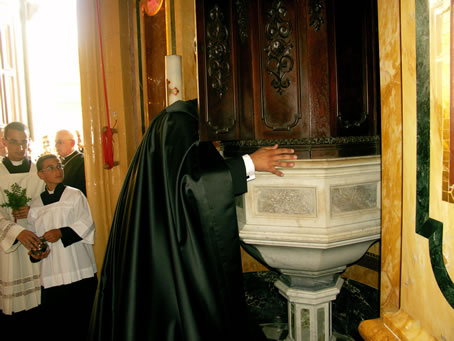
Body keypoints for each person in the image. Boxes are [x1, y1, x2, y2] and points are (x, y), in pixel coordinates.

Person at [89, 100, 297, 340]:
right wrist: (250, 163)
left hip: (158, 235)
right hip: (167, 248)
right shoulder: (179, 122)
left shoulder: (174, 119)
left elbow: (181, 174)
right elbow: (194, 183)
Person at [28, 153, 97, 341]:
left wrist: (61, 232)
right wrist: (36, 252)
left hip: (77, 268)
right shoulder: (35, 205)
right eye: (50, 168)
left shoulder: (74, 195)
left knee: (82, 321)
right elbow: (33, 237)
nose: (57, 170)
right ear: (41, 174)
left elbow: (87, 223)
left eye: (59, 166)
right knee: (57, 325)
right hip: (51, 272)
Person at [0, 122, 45, 335]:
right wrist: (17, 232)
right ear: (4, 142)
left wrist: (32, 211)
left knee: (39, 306)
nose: (19, 147)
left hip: (35, 239)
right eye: (14, 142)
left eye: (23, 142)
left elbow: (51, 204)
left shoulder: (40, 171)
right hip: (7, 245)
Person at [54, 129, 86, 196]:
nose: (56, 146)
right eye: (55, 142)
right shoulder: (58, 162)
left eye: (59, 142)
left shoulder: (82, 162)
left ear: (72, 143)